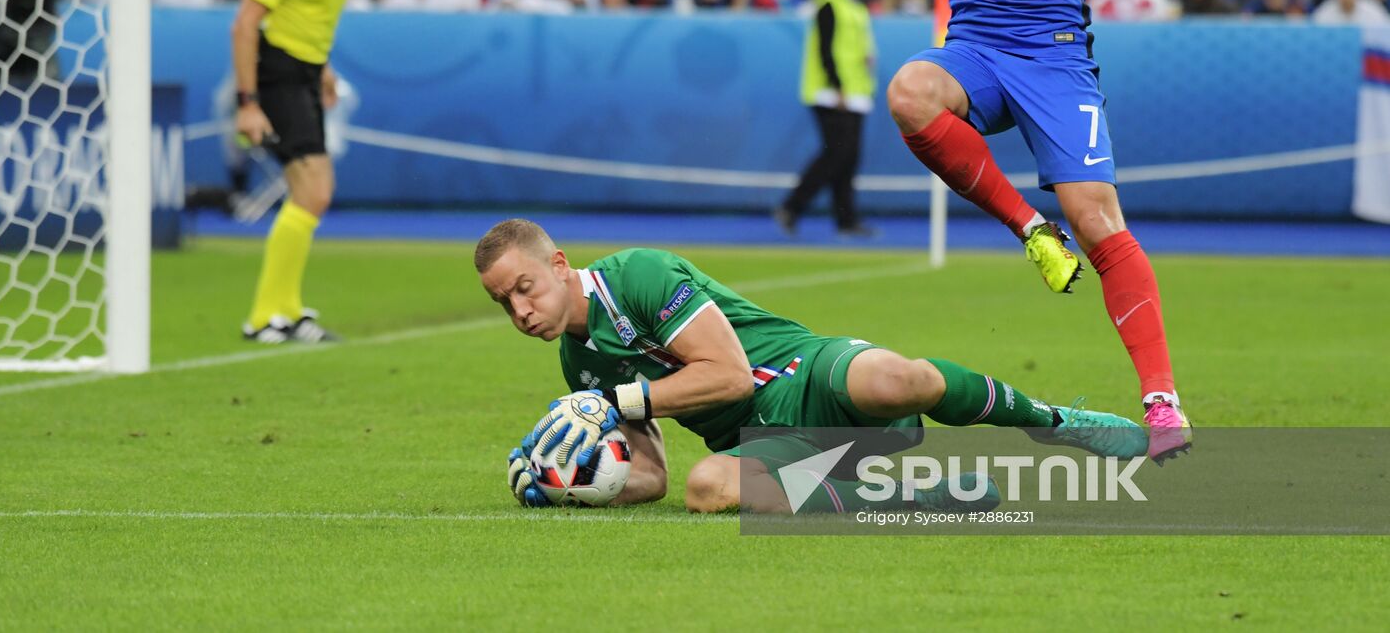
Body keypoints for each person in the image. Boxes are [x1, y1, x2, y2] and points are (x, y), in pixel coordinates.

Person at [754, 0, 1369, 462]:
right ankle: (1030, 230)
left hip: (1052, 58)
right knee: (909, 91)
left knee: (1101, 221)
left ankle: (1163, 404)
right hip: (975, 48)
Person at [477, 219, 1147, 513]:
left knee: (897, 379)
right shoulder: (579, 364)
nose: (518, 309)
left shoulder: (639, 274)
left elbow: (732, 375)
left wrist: (617, 405)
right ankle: (916, 494)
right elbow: (652, 476)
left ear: (558, 263)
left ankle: (1054, 420)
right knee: (709, 488)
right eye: (503, 301)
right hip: (773, 445)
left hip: (808, 371)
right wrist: (567, 484)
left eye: (524, 286)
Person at [232, 0, 363, 344]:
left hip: (307, 68)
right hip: (278, 70)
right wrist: (248, 101)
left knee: (309, 193)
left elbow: (313, 10)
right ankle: (264, 315)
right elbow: (245, 23)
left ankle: (285, 309)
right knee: (314, 190)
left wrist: (323, 67)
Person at [775, 0, 877, 238]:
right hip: (833, 93)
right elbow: (826, 48)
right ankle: (792, 206)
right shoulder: (829, 3)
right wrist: (836, 85)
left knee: (848, 158)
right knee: (836, 155)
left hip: (855, 91)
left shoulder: (854, 4)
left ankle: (845, 219)